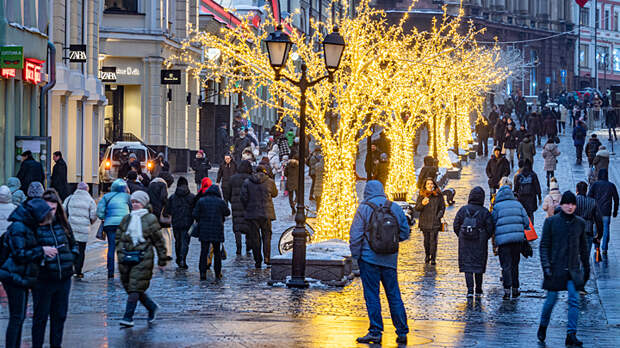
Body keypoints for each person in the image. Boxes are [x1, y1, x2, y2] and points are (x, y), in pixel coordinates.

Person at [349, 180, 410, 345]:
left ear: (367, 191)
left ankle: (375, 331)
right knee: (393, 294)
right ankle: (402, 330)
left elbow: (355, 235)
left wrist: (356, 255)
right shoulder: (395, 207)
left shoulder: (364, 208)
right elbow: (405, 233)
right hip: (390, 260)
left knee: (372, 295)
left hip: (369, 260)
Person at [538, 191, 589, 347]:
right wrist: (546, 266)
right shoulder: (551, 222)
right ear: (561, 204)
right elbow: (544, 246)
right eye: (567, 203)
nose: (570, 207)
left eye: (573, 204)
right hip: (555, 269)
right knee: (551, 301)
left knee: (574, 301)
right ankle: (543, 326)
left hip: (573, 270)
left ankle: (571, 334)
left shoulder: (580, 223)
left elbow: (583, 248)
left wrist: (586, 269)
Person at [0, 198, 53, 348]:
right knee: (16, 317)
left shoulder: (26, 226)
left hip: (19, 275)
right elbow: (20, 253)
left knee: (19, 316)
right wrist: (41, 251)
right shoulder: (19, 227)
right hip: (13, 275)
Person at [31, 190, 78, 348]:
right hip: (43, 278)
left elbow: (74, 244)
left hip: (63, 278)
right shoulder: (35, 226)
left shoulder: (63, 225)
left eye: (53, 208)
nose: (50, 212)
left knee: (59, 316)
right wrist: (42, 251)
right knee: (41, 317)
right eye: (47, 208)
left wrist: (70, 257)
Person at [117, 191, 170, 327]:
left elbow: (159, 241)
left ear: (144, 203)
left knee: (135, 287)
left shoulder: (150, 219)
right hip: (126, 258)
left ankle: (128, 317)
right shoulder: (127, 218)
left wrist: (162, 260)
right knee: (132, 288)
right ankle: (151, 307)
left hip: (143, 258)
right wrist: (120, 252)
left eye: (137, 202)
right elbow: (119, 236)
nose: (135, 204)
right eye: (133, 202)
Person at [491, 177, 529, 299]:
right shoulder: (517, 204)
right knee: (514, 264)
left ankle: (507, 290)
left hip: (503, 241)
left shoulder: (497, 206)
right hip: (517, 240)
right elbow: (526, 222)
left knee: (506, 265)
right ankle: (515, 288)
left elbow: (492, 222)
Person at [453, 186, 494, 297]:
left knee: (468, 267)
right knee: (478, 265)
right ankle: (479, 289)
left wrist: (461, 235)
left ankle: (470, 290)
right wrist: (485, 237)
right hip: (480, 243)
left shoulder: (462, 210)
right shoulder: (484, 212)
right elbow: (490, 227)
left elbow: (456, 225)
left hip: (465, 243)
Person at [240, 165, 278, 268]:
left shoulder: (247, 182)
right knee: (267, 236)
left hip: (252, 214)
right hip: (266, 213)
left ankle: (258, 260)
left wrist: (247, 207)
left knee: (255, 238)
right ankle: (267, 257)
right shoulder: (270, 181)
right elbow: (275, 194)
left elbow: (243, 197)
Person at [193, 184, 230, 280]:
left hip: (204, 230)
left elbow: (195, 214)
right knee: (217, 252)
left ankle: (202, 273)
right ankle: (217, 273)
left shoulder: (201, 201)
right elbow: (227, 212)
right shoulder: (220, 202)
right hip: (217, 230)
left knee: (203, 252)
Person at [96, 179, 131, 279]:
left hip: (109, 225)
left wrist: (104, 217)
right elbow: (133, 209)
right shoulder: (127, 197)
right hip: (123, 224)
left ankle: (110, 272)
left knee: (111, 247)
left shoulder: (106, 197)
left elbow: (99, 212)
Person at [63, 182, 96, 278]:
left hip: (71, 228)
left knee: (71, 248)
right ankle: (78, 270)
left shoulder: (70, 198)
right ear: (87, 190)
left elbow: (63, 210)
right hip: (83, 230)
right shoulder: (90, 200)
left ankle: (70, 268)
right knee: (81, 250)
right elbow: (93, 215)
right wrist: (90, 223)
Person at [165, 177, 195, 269]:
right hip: (188, 224)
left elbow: (168, 211)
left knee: (178, 242)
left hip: (176, 223)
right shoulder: (192, 197)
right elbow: (195, 211)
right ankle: (183, 259)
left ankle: (179, 258)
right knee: (185, 242)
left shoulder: (172, 197)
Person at [588, 169, 619, 255]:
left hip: (596, 211)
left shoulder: (595, 185)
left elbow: (589, 196)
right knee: (606, 229)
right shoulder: (611, 185)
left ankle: (596, 246)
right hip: (606, 211)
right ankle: (604, 248)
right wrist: (615, 210)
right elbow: (616, 199)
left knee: (596, 229)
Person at [415, 178, 445, 265]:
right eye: (428, 184)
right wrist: (422, 204)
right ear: (425, 185)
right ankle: (427, 255)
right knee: (426, 241)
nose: (430, 185)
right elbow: (417, 208)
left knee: (433, 241)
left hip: (435, 222)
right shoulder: (421, 195)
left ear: (434, 185)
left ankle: (433, 257)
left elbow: (442, 207)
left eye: (431, 184)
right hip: (425, 221)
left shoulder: (438, 195)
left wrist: (438, 216)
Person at [226, 160, 253, 256]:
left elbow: (227, 193)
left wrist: (232, 201)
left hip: (236, 205)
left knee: (237, 227)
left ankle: (238, 247)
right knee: (248, 225)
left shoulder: (233, 178)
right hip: (248, 205)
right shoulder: (251, 178)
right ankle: (248, 246)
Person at [575, 181, 603, 273]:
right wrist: (599, 235)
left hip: (575, 231)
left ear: (577, 190)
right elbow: (598, 220)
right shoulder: (592, 202)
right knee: (585, 256)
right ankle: (582, 277)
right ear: (586, 190)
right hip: (588, 230)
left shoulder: (574, 201)